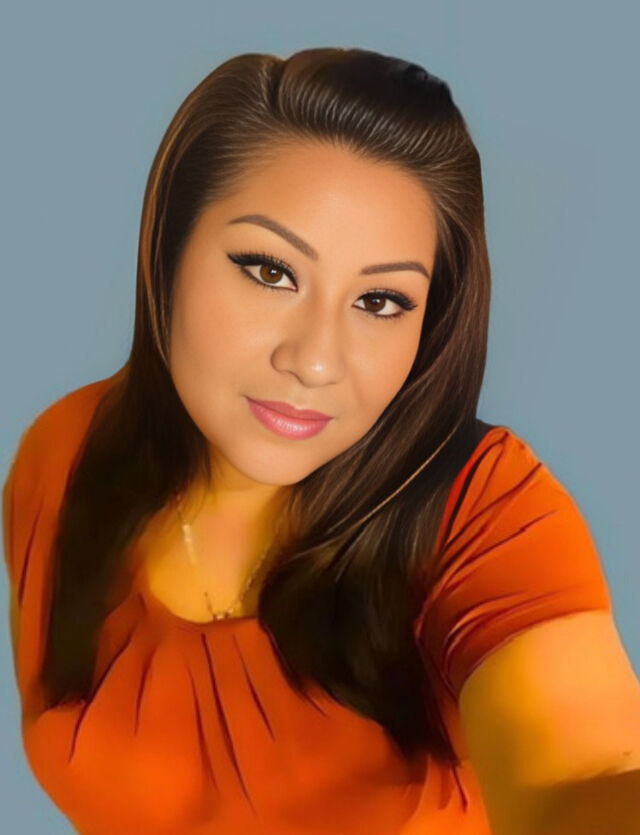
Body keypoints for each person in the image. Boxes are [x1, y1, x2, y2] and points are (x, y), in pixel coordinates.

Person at [3, 47, 639, 835]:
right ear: (166, 251)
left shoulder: (486, 510)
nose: (314, 360)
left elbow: (581, 774)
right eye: (270, 271)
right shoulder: (63, 452)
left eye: (380, 301)